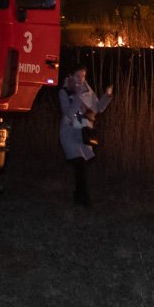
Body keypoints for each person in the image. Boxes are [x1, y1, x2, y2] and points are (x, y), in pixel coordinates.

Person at [58, 64, 112, 207]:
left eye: (83, 76)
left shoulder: (87, 90)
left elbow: (98, 108)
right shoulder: (64, 91)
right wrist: (78, 97)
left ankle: (78, 196)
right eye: (78, 76)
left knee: (81, 167)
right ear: (70, 76)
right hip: (69, 132)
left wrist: (107, 96)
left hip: (83, 131)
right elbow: (68, 114)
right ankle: (85, 200)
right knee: (79, 165)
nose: (81, 79)